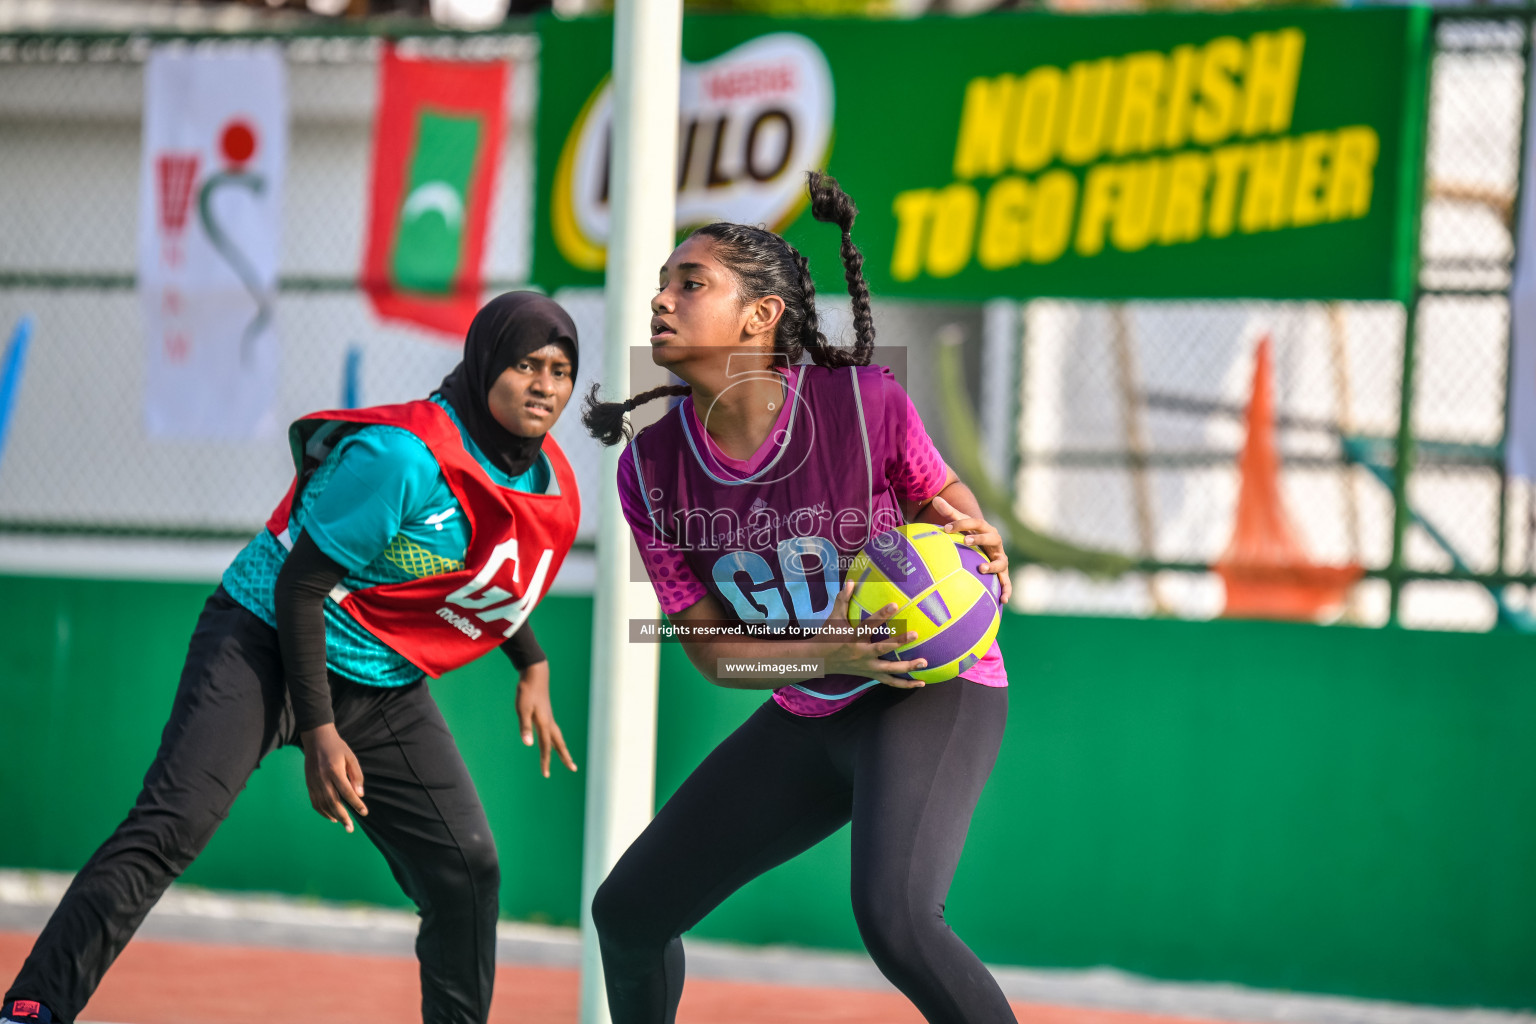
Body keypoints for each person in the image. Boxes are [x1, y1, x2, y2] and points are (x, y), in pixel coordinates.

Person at [2, 291, 584, 1024]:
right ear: (483, 362)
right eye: (525, 365)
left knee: (468, 867)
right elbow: (300, 585)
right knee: (169, 827)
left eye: (560, 370)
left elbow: (487, 568)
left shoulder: (543, 479)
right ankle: (33, 1008)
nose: (544, 386)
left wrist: (530, 661)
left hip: (378, 679)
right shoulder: (401, 457)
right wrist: (319, 732)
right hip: (262, 641)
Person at [581, 174, 1018, 1024]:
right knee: (628, 915)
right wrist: (827, 656)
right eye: (662, 285)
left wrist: (980, 533)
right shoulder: (649, 469)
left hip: (927, 690)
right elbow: (712, 652)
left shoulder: (865, 408)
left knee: (897, 920)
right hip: (811, 702)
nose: (660, 301)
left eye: (689, 283)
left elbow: (949, 508)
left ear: (760, 316)